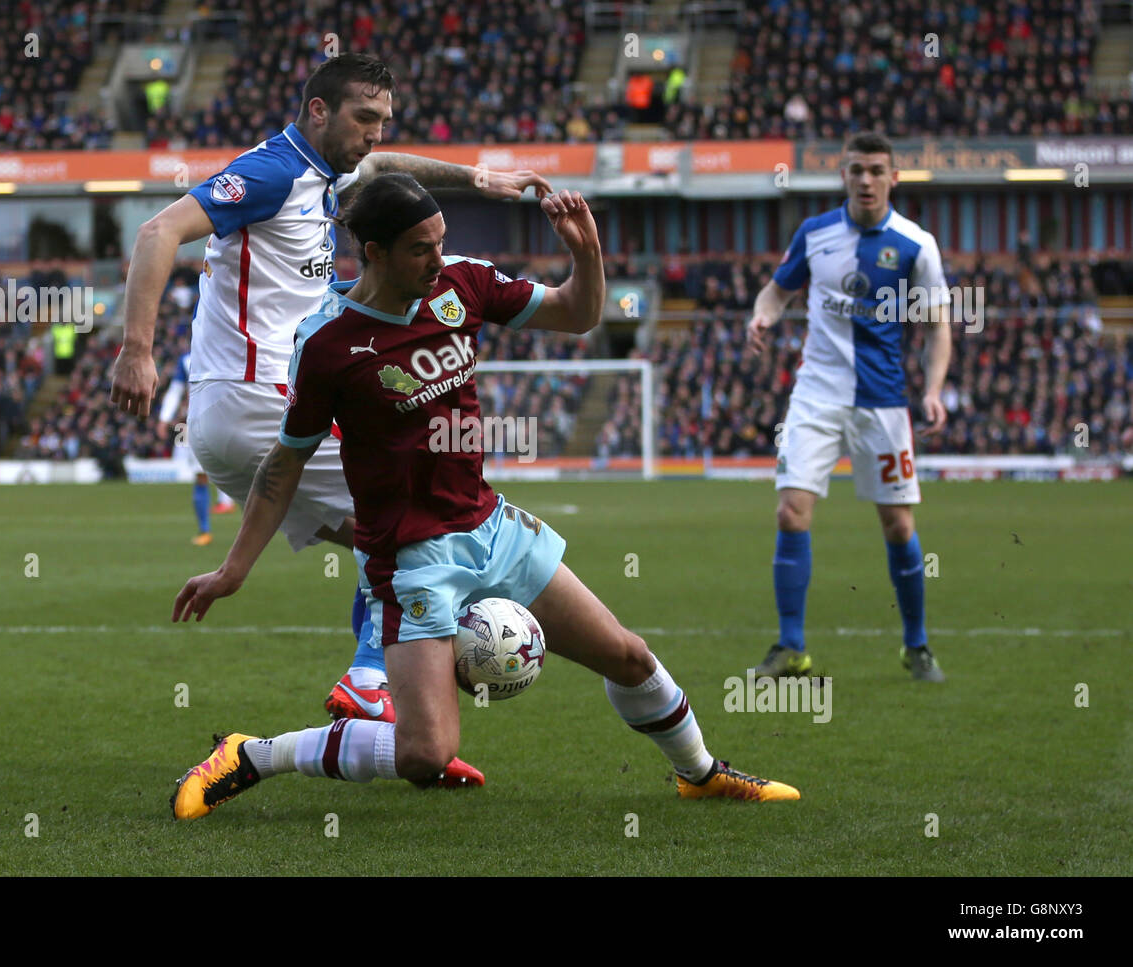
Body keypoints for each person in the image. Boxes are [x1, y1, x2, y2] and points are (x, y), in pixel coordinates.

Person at [167, 175, 799, 818]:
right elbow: (283, 465)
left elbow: (577, 316)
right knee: (425, 753)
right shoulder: (327, 342)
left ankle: (700, 773)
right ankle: (251, 755)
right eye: (421, 249)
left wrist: (586, 253)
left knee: (628, 655)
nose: (438, 260)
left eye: (442, 242)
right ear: (375, 253)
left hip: (491, 526)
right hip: (411, 561)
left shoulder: (463, 283)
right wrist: (233, 569)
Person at [109, 53, 551, 785]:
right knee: (424, 526)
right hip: (257, 400)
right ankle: (370, 687)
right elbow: (159, 231)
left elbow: (385, 169)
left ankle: (380, 703)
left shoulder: (326, 174)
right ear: (317, 111)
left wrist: (476, 178)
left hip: (249, 410)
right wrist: (136, 349)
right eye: (363, 119)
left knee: (383, 534)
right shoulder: (272, 171)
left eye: (383, 120)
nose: (375, 135)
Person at [744, 131, 952, 682]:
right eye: (856, 169)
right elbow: (776, 291)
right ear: (844, 175)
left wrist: (933, 390)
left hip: (883, 402)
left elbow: (937, 326)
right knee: (790, 510)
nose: (865, 180)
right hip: (815, 394)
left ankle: (917, 645)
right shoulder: (815, 234)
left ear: (893, 178)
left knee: (898, 526)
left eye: (876, 170)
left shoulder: (916, 244)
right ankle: (791, 647)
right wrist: (762, 316)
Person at [156, 350, 237, 546]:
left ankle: (233, 511)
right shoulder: (187, 360)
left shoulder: (227, 352)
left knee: (240, 471)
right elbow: (175, 390)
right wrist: (164, 418)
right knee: (201, 475)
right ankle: (205, 530)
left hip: (228, 420)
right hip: (198, 424)